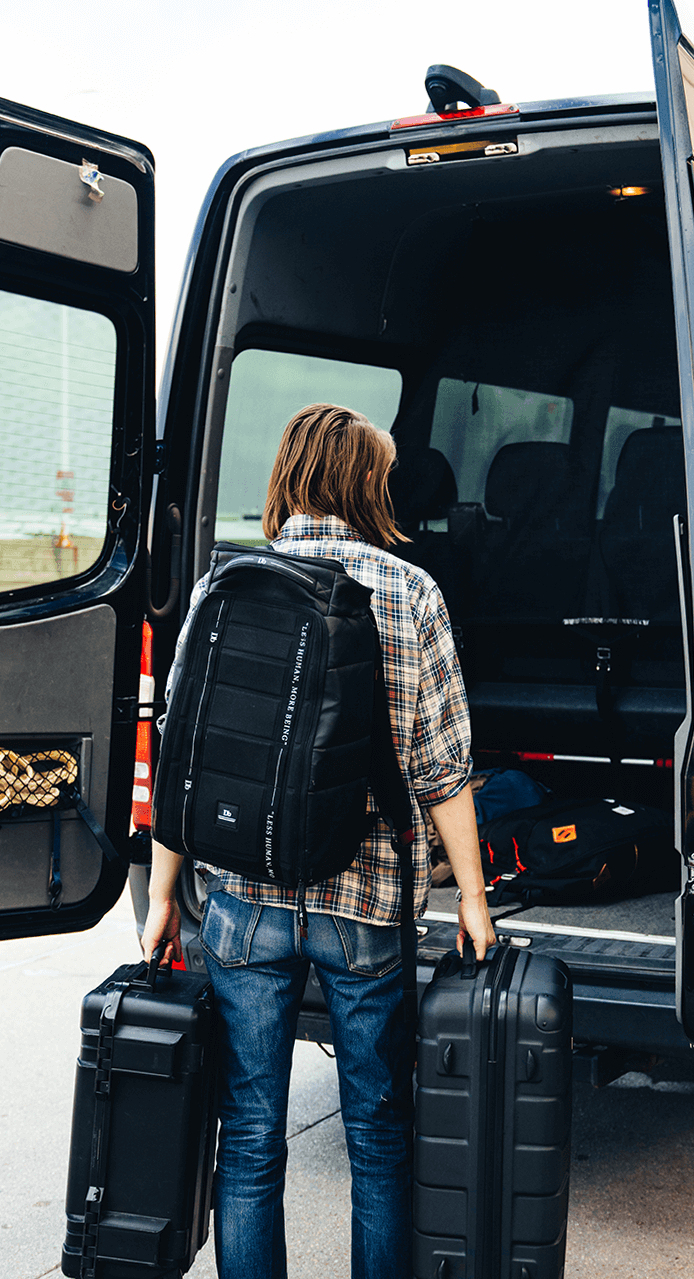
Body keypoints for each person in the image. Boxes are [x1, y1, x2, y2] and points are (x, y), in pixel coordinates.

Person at [141, 403, 495, 1279]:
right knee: (376, 1132)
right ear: (366, 485)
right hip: (365, 900)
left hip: (243, 901)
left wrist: (160, 897)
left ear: (291, 477)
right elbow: (443, 769)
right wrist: (476, 902)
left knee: (252, 1130)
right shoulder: (409, 592)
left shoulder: (225, 585)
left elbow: (183, 750)